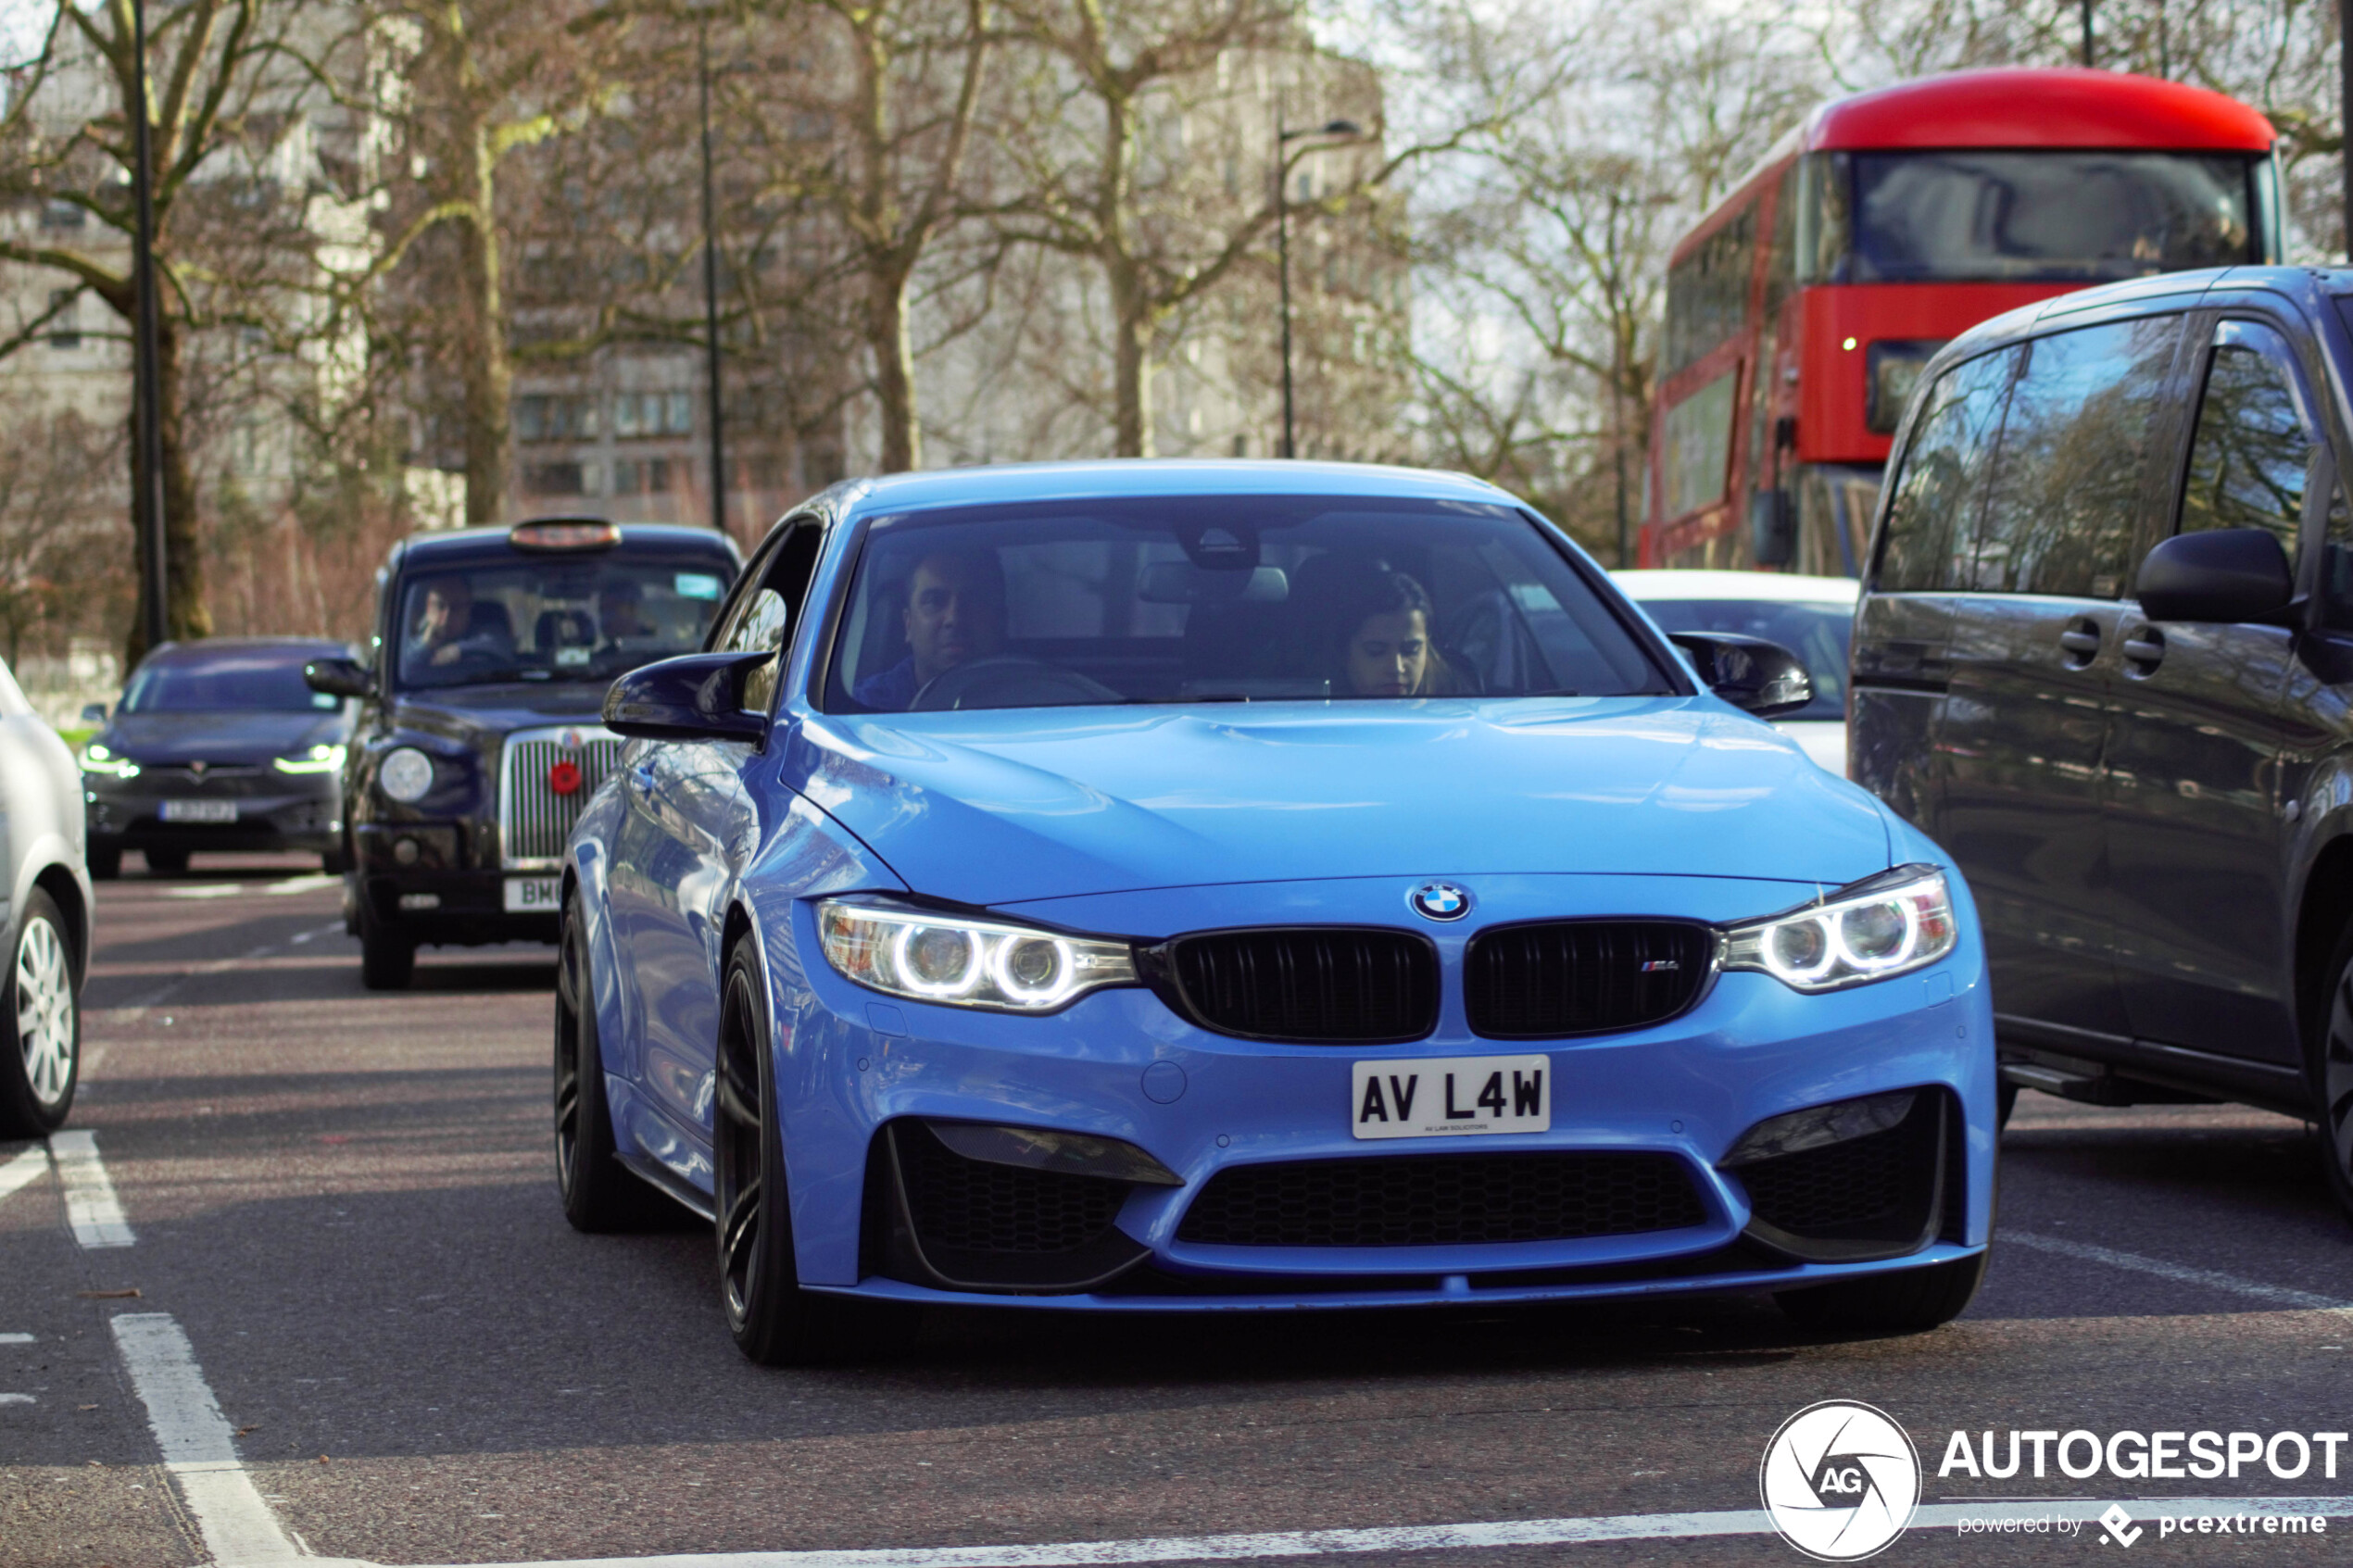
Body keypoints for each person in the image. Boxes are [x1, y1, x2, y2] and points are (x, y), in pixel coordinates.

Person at [852, 549, 1006, 709]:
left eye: (973, 601)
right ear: (908, 623)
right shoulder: (862, 709)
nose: (954, 619)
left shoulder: (1033, 695)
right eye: (934, 601)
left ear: (1000, 618)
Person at [1327, 568, 1466, 698]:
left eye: (1411, 651)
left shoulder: (1464, 706)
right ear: (1345, 652)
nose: (1396, 668)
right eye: (1376, 651)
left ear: (1427, 647)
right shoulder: (1316, 711)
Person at [403, 576, 510, 678]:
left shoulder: (486, 635)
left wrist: (459, 650)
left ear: (468, 609)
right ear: (428, 608)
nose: (447, 617)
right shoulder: (409, 642)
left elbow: (502, 648)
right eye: (440, 606)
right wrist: (425, 646)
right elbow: (405, 669)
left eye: (456, 608)